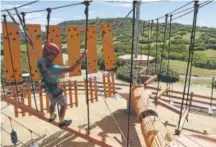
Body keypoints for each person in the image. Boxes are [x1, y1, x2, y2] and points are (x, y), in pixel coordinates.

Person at [37, 42, 87, 128]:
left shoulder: (40, 62)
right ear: (50, 55)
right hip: (55, 90)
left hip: (47, 88)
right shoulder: (53, 68)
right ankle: (61, 122)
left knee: (52, 103)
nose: (55, 57)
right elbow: (72, 69)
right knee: (63, 105)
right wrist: (83, 56)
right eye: (55, 55)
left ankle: (52, 117)